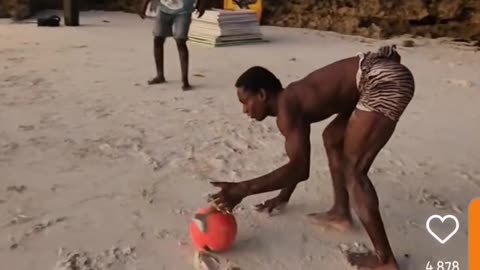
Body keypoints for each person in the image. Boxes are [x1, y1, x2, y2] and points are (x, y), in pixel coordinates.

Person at [208, 45, 415, 270]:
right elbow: (298, 160)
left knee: (354, 171)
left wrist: (242, 189)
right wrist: (283, 195)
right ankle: (340, 211)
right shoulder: (293, 100)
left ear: (262, 95)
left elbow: (299, 169)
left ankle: (385, 262)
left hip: (379, 80)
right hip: (377, 75)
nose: (245, 111)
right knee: (332, 138)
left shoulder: (287, 108)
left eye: (245, 102)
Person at [138, 0, 209, 90]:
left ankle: (185, 79)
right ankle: (160, 75)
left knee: (180, 41)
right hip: (163, 9)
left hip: (183, 11)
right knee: (158, 39)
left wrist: (202, 5)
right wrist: (144, 4)